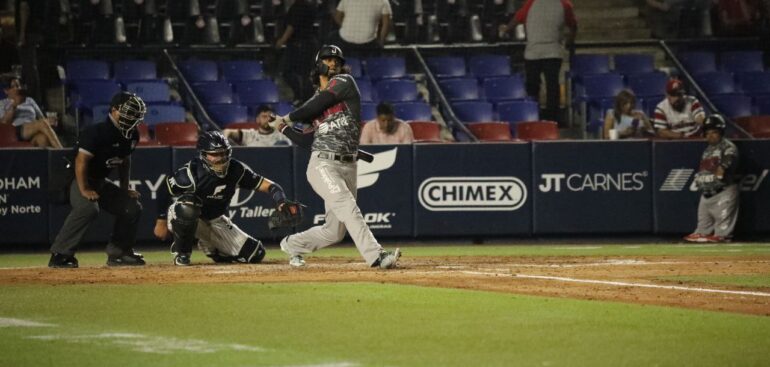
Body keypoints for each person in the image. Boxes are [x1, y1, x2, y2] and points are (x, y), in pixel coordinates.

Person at [270, 44, 401, 269]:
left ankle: (292, 244)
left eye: (337, 61)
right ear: (318, 64)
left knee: (334, 232)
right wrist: (283, 129)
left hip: (348, 165)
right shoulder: (314, 103)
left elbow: (317, 105)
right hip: (323, 164)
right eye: (328, 60)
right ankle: (376, 255)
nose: (333, 64)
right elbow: (307, 140)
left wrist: (287, 119)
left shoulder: (344, 83)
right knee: (348, 206)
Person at [153, 131, 288, 266]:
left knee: (255, 254)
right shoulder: (191, 172)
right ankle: (182, 253)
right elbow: (164, 189)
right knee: (187, 207)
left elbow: (270, 186)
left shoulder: (236, 169)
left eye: (223, 153)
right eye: (215, 154)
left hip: (215, 219)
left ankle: (213, 248)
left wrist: (281, 201)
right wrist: (161, 220)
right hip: (186, 215)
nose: (220, 158)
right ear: (203, 154)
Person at [48, 92, 147, 268]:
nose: (132, 118)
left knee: (131, 205)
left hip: (99, 181)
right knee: (88, 207)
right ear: (114, 110)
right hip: (76, 178)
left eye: (135, 114)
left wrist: (124, 189)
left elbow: (125, 161)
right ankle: (60, 254)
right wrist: (84, 189)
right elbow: (81, 161)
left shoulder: (132, 135)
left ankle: (119, 253)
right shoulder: (97, 131)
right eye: (129, 113)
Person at [499, 0, 577, 126]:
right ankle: (552, 119)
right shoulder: (564, 4)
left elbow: (517, 19)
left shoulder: (531, 3)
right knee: (552, 86)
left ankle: (534, 115)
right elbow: (573, 24)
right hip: (553, 52)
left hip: (533, 52)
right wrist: (570, 41)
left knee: (533, 86)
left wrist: (506, 29)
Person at [684, 114, 739, 243]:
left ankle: (723, 256)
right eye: (707, 133)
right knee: (701, 233)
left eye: (714, 132)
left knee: (721, 236)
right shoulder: (707, 150)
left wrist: (722, 168)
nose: (710, 136)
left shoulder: (728, 146)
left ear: (721, 132)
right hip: (707, 194)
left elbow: (728, 161)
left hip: (723, 192)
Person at [0, 76, 62, 148]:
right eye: (13, 86)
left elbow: (41, 118)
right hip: (16, 130)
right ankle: (63, 154)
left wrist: (50, 121)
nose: (17, 89)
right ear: (6, 91)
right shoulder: (3, 103)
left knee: (43, 139)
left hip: (33, 129)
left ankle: (50, 158)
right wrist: (14, 106)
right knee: (43, 123)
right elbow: (4, 123)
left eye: (18, 85)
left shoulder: (29, 100)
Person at [275, 0, 318, 103]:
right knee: (304, 74)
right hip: (307, 43)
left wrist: (282, 40)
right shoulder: (307, 5)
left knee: (288, 71)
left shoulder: (298, 7)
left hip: (299, 44)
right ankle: (304, 98)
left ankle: (301, 97)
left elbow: (291, 26)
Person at [222, 105, 292, 146]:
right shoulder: (250, 135)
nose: (268, 119)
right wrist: (224, 140)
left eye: (271, 117)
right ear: (257, 119)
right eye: (264, 117)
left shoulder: (281, 135)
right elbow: (227, 131)